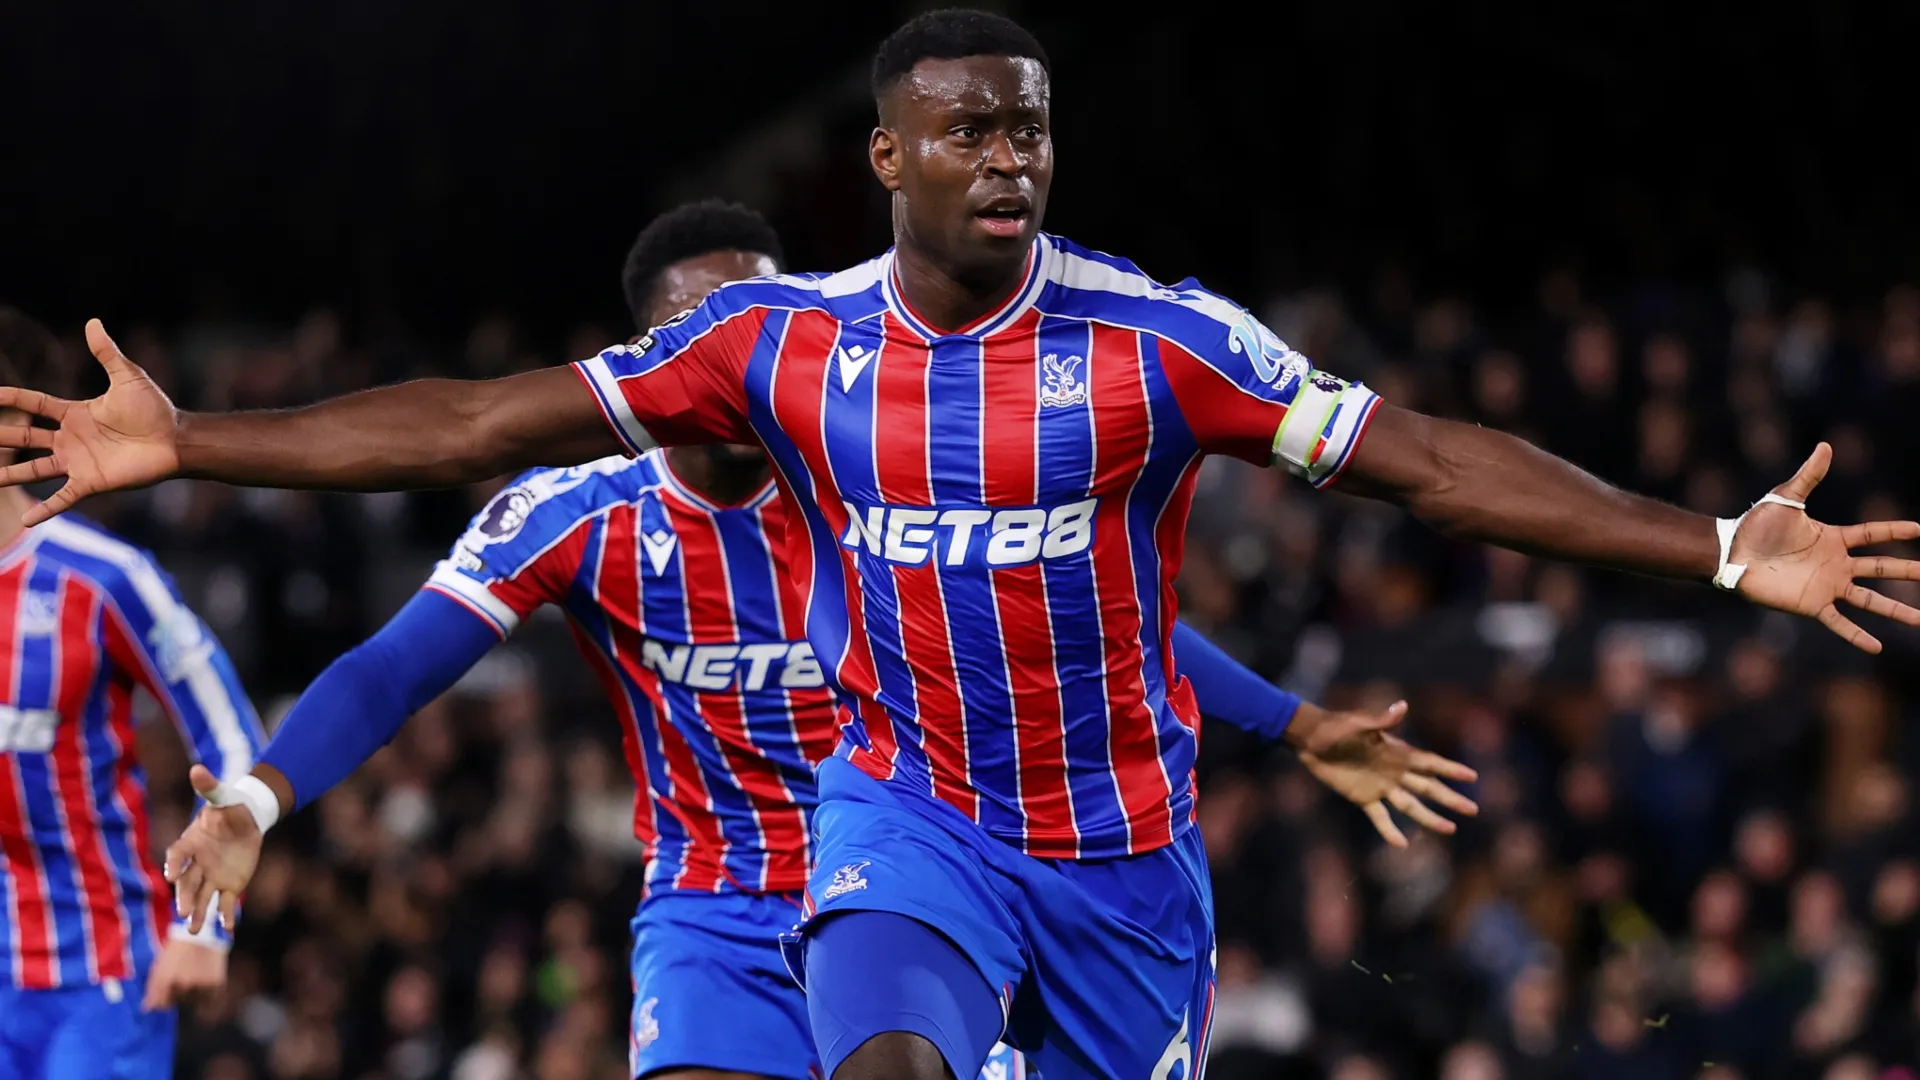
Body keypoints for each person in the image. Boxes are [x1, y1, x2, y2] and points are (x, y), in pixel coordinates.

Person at [1, 9, 1913, 1078]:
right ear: (888, 162)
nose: (1008, 156)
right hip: (886, 831)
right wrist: (196, 446)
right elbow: (465, 434)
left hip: (1122, 864)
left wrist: (1714, 551)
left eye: (1032, 129)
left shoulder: (1158, 345)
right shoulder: (766, 360)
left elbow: (1417, 463)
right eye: (967, 130)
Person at [158, 201, 1462, 1080]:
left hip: (936, 889)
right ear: (659, 355)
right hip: (718, 912)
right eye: (707, 334)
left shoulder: (875, 478)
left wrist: (1290, 725)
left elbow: (1109, 635)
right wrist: (261, 801)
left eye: (764, 320)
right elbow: (396, 668)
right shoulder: (578, 518)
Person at [0, 308, 265, 1079]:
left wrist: (205, 930)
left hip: (100, 983)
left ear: (15, 415)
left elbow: (234, 736)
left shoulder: (101, 577)